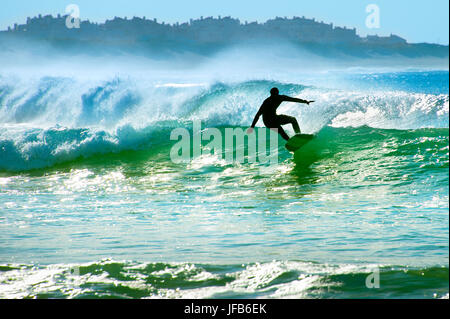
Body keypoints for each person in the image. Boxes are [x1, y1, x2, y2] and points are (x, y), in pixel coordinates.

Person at [247, 87, 314, 141]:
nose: (274, 96)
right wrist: (252, 126)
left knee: (293, 120)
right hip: (268, 121)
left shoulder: (280, 97)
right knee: (281, 130)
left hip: (275, 118)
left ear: (277, 93)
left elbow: (293, 99)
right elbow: (258, 114)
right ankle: (290, 142)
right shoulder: (267, 102)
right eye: (273, 94)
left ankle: (299, 136)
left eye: (275, 94)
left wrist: (305, 101)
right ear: (271, 94)